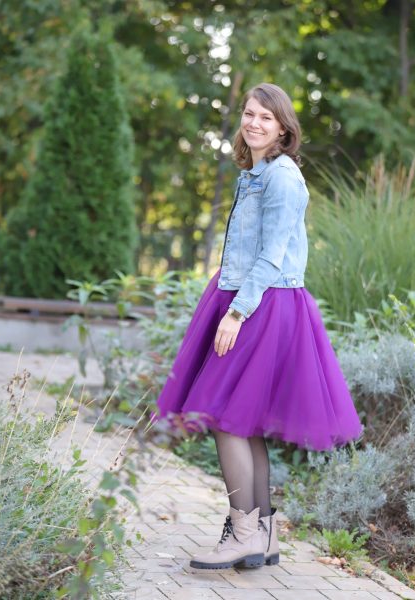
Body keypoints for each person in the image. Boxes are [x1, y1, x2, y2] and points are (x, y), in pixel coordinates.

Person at [150, 82, 363, 570]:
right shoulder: (257, 173)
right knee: (243, 422)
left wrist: (236, 313)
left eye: (266, 117)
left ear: (284, 128)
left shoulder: (282, 178)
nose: (254, 123)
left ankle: (242, 533)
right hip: (250, 296)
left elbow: (271, 256)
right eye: (249, 114)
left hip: (260, 305)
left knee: (222, 415)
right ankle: (262, 535)